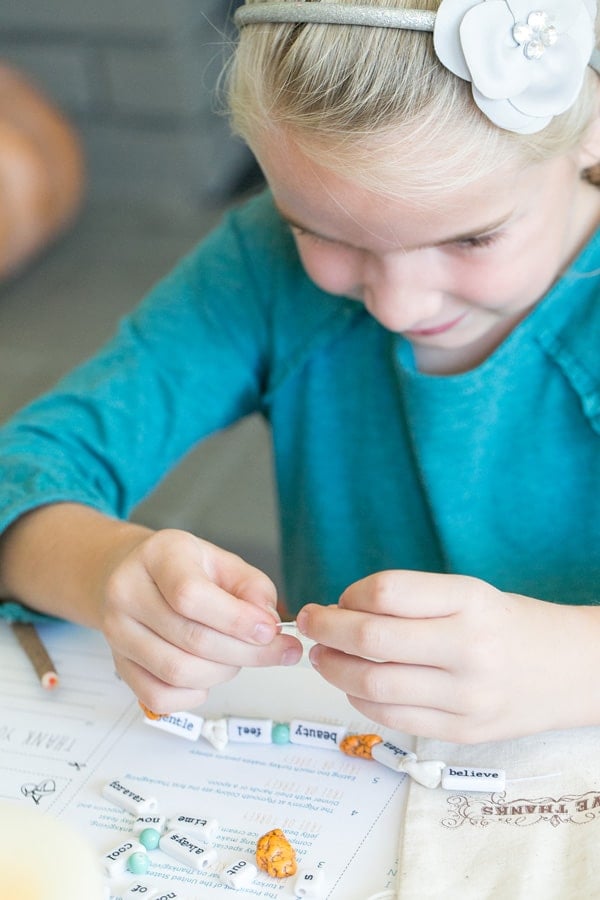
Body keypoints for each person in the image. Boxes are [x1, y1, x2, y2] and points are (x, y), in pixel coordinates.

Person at [0, 0, 599, 745]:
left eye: (473, 238)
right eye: (321, 232)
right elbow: (24, 470)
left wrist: (579, 664)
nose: (398, 305)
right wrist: (105, 571)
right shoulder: (261, 270)